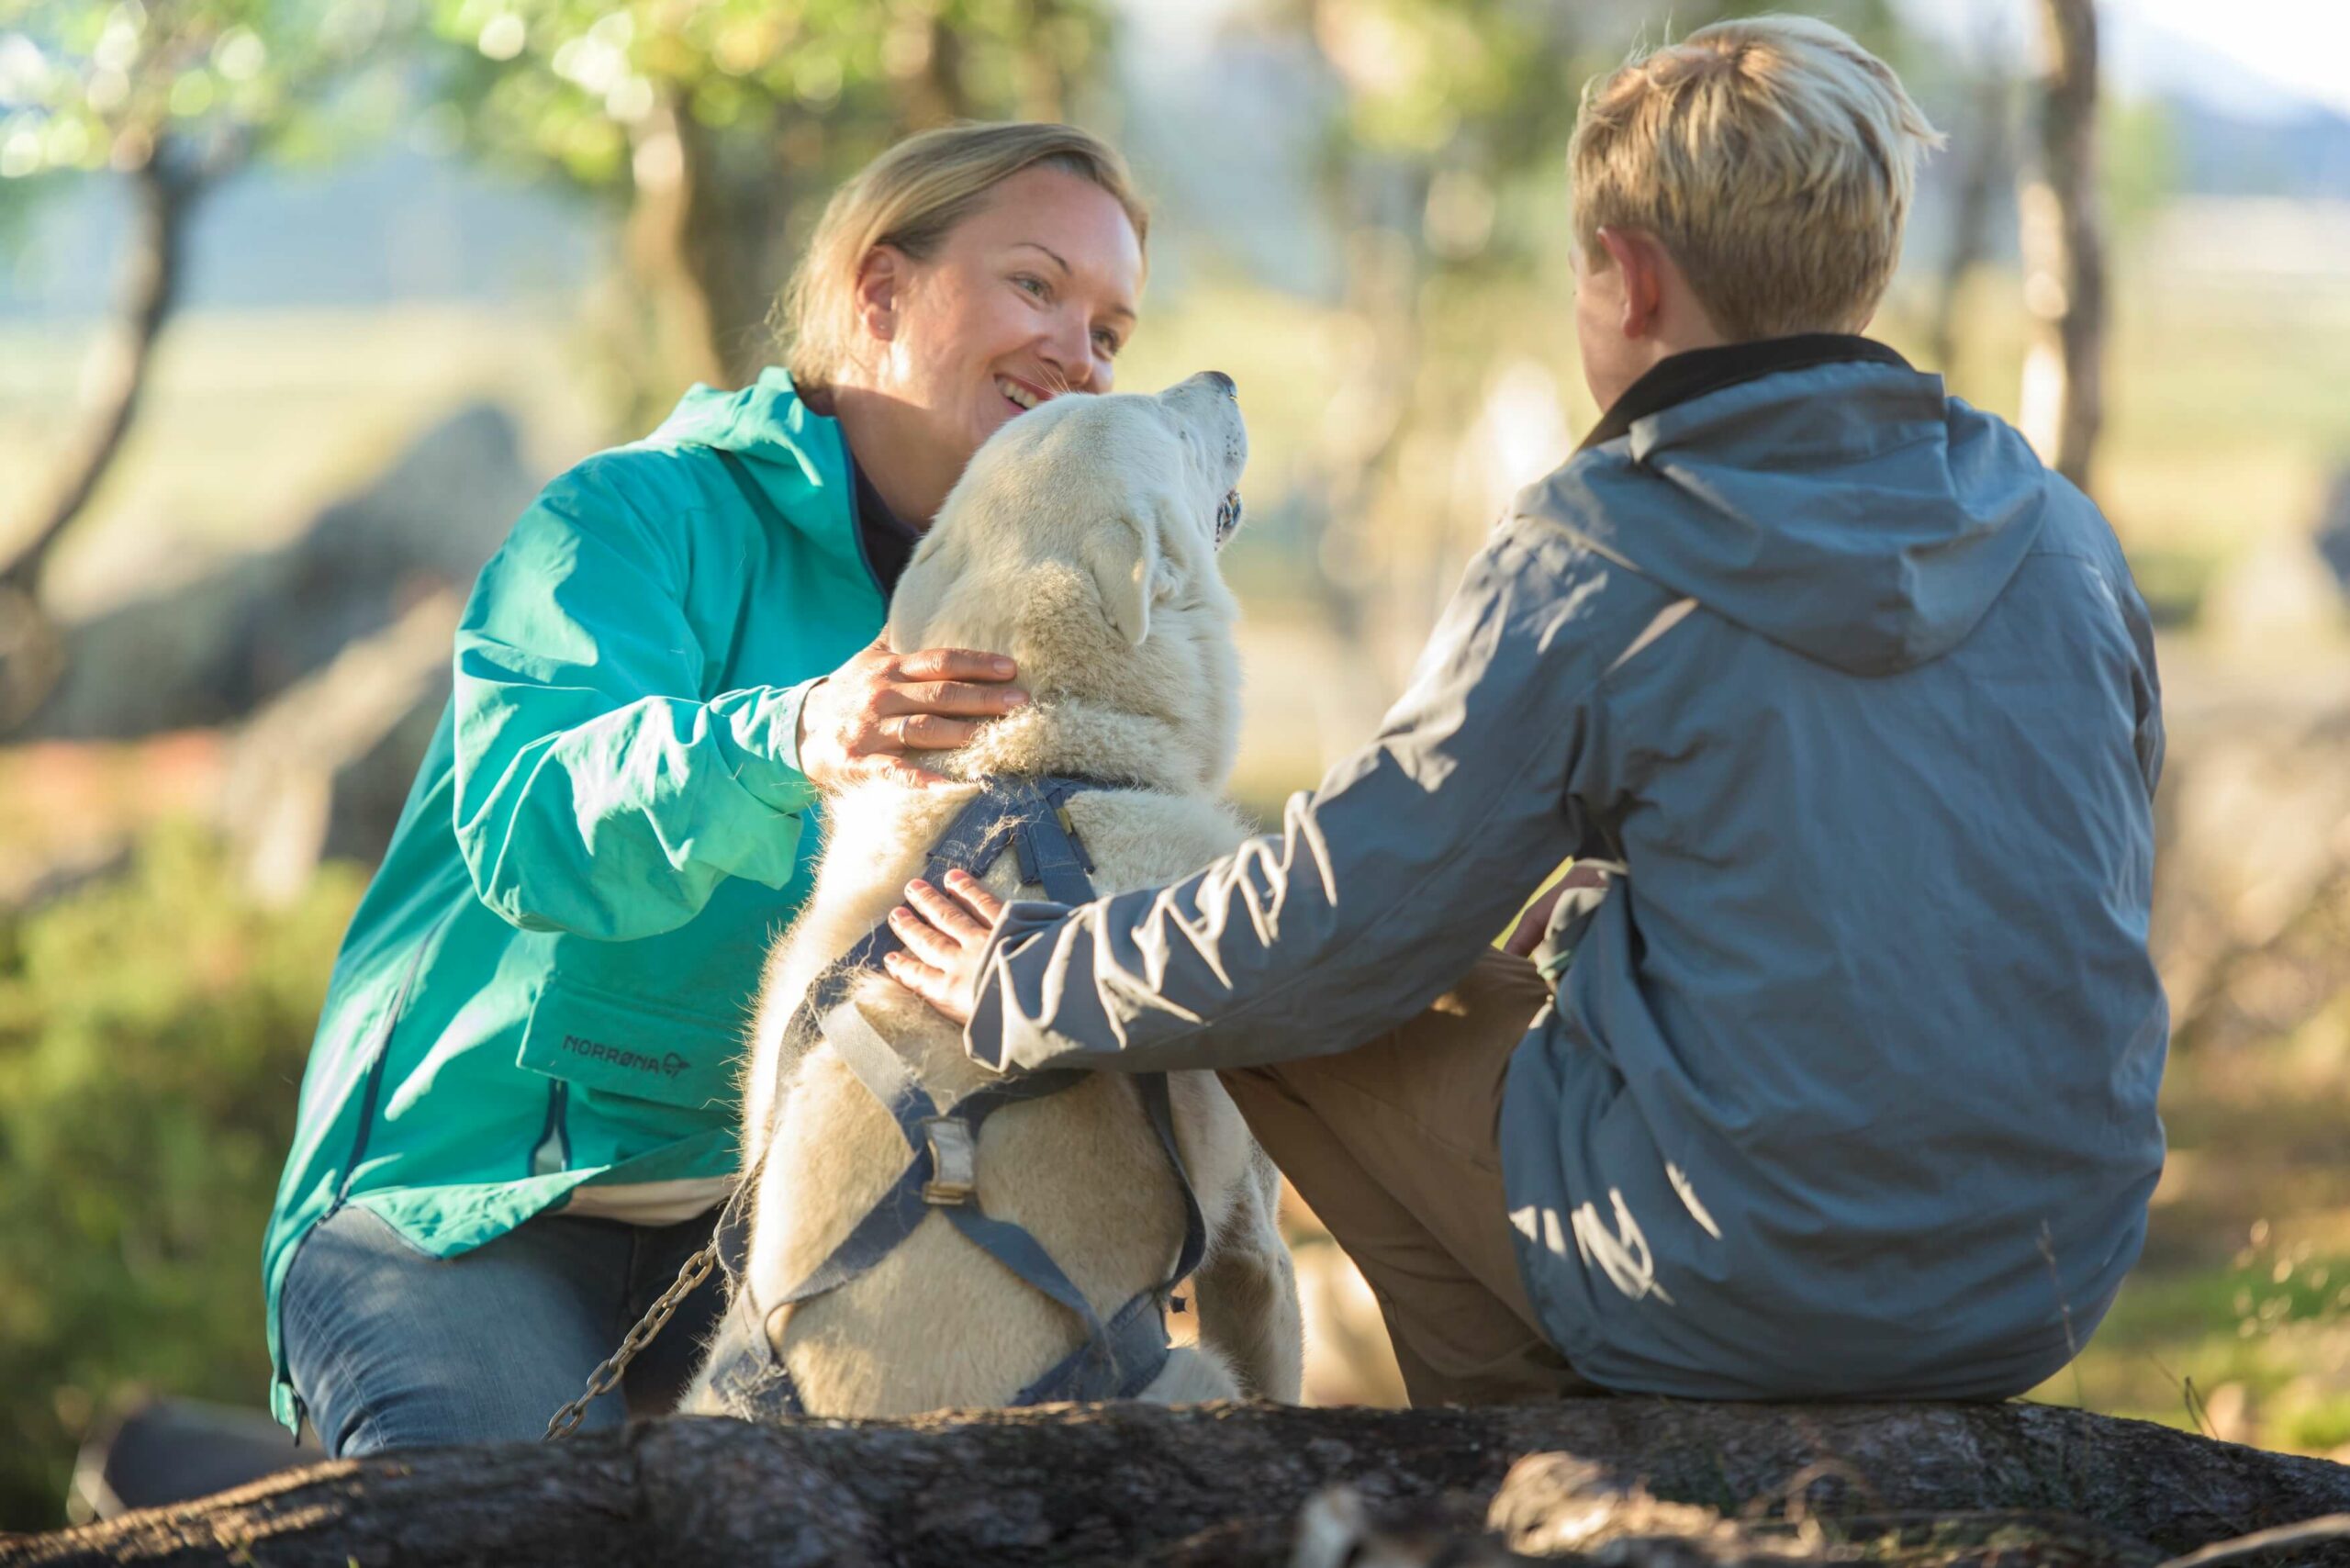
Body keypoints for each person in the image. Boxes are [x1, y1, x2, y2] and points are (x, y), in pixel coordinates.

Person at [886, 16, 2168, 1406]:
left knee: (1310, 981)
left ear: (1625, 278)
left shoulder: (1607, 545)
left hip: (1757, 1286)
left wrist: (1035, 977)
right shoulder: (2059, 529)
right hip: (2050, 1277)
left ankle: (1520, 1448)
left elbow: (1342, 923)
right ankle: (1577, 1446)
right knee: (1466, 961)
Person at [263, 120, 1150, 1452]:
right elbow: (532, 825)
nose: (1076, 357)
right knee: (506, 1536)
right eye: (1036, 285)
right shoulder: (621, 522)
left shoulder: (1033, 612)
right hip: (462, 1211)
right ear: (878, 292)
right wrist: (791, 737)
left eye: (1110, 332)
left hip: (780, 1224)